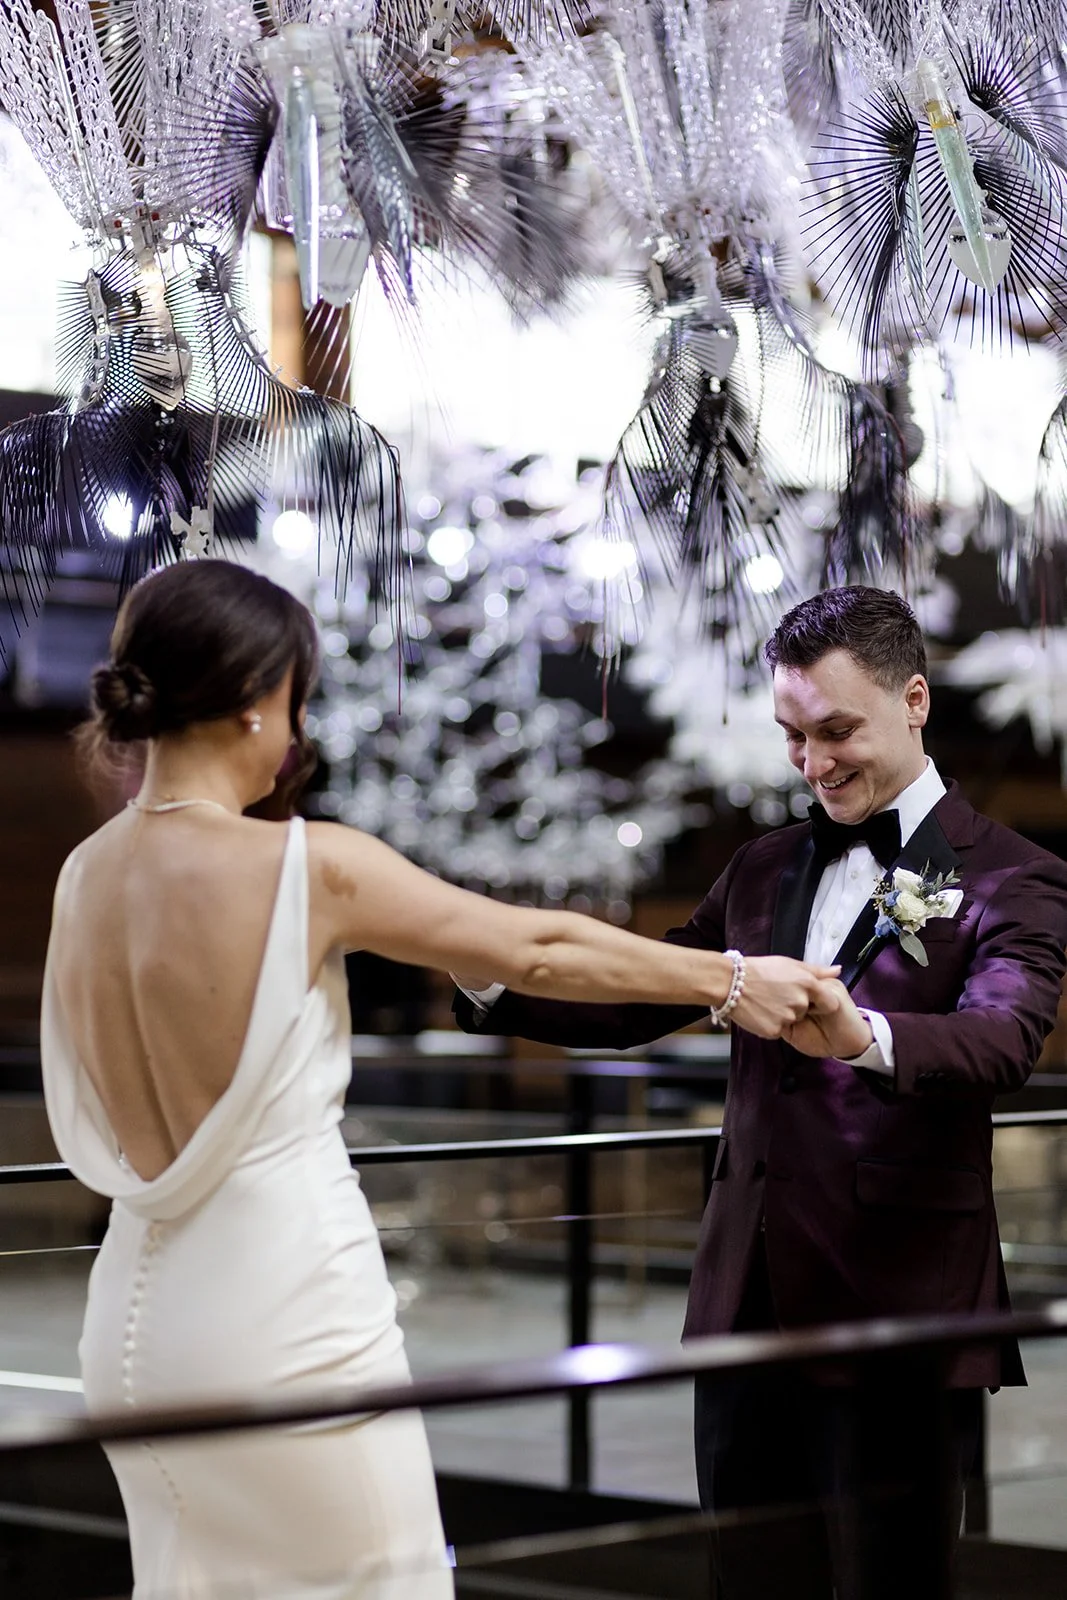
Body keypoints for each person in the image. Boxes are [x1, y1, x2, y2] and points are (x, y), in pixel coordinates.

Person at [40, 559, 836, 1600]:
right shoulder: (304, 863)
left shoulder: (86, 871)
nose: (295, 736)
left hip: (133, 1321)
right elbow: (536, 947)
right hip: (284, 1315)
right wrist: (728, 977)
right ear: (254, 702)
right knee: (377, 1580)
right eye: (296, 702)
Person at [453, 586, 1067, 1600]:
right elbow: (637, 998)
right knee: (746, 1578)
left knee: (890, 1582)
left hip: (897, 1308)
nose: (812, 764)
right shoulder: (760, 864)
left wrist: (858, 1032)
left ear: (912, 700)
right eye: (790, 735)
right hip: (742, 1297)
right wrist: (485, 965)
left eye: (835, 731)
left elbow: (1000, 1038)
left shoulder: (1014, 875)